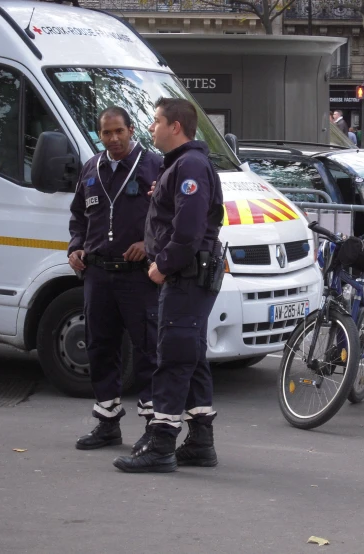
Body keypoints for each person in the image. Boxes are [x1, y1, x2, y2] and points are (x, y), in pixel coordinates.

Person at [113, 98, 224, 473]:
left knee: (173, 357)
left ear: (176, 126)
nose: (151, 127)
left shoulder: (190, 165)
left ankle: (161, 444)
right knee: (190, 358)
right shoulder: (180, 165)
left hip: (185, 276)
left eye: (157, 121)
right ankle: (200, 441)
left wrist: (162, 265)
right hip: (188, 276)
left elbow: (189, 230)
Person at [68, 107, 163, 452]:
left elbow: (170, 215)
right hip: (97, 273)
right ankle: (107, 422)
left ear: (131, 129)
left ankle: (155, 427)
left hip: (137, 276)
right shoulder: (91, 167)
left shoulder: (154, 165)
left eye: (119, 131)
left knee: (147, 350)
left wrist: (149, 244)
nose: (113, 139)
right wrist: (75, 247)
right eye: (106, 133)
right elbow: (78, 215)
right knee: (99, 347)